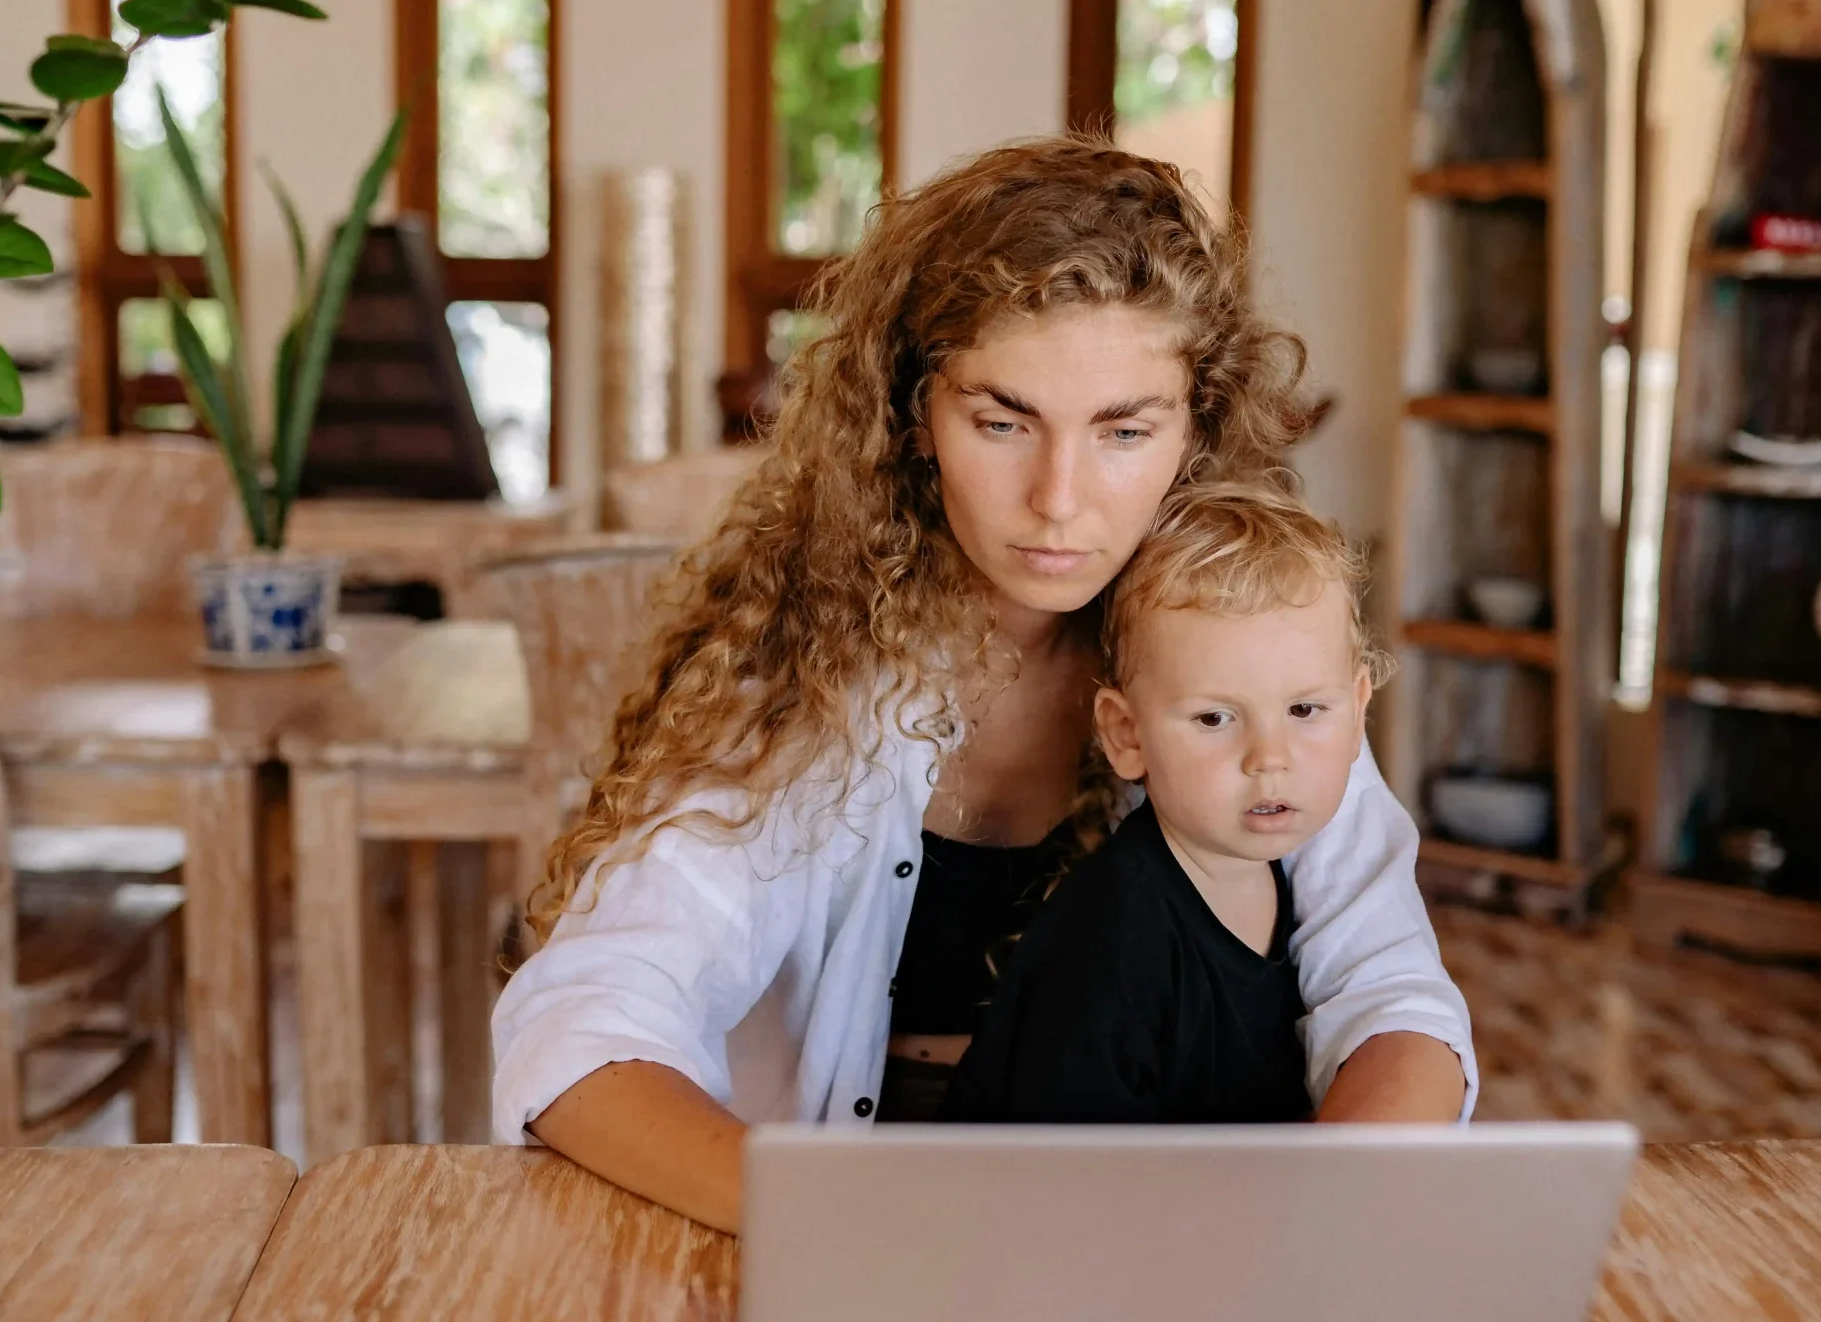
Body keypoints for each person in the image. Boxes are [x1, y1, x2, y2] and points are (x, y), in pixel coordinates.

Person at [490, 137, 1475, 1234]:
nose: (1058, 498)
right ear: (916, 418)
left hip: (1170, 1256)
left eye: (1123, 431)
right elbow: (583, 1024)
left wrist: (1304, 1223)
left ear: (1194, 430)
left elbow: (1389, 997)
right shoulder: (803, 675)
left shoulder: (1235, 658)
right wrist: (855, 1223)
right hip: (847, 1242)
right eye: (1002, 422)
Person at [944, 487, 1385, 1123]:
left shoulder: (1278, 874)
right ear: (1126, 735)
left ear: (1357, 712)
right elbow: (1065, 1195)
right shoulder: (1110, 946)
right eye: (1214, 717)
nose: (1270, 757)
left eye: (1305, 710)